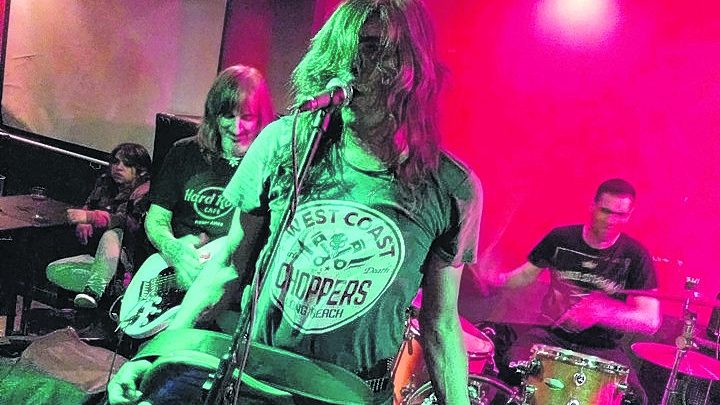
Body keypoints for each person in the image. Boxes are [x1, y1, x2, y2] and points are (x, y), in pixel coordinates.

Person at [108, 1, 483, 404]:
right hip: (255, 377)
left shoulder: (451, 188)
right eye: (342, 48)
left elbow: (441, 323)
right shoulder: (283, 143)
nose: (350, 65)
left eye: (372, 48)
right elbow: (227, 269)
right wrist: (157, 353)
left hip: (348, 392)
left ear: (411, 66)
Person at [486, 178, 660, 404]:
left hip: (603, 348)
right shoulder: (561, 238)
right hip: (550, 336)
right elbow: (525, 275)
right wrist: (495, 280)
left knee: (636, 398)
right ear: (593, 206)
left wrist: (601, 312)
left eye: (620, 215)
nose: (611, 221)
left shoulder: (635, 255)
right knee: (511, 366)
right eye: (605, 211)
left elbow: (651, 320)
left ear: (630, 215)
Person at [143, 64, 274, 292]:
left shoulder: (271, 165)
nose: (237, 128)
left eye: (247, 117)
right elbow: (156, 217)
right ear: (214, 116)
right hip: (175, 269)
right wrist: (172, 248)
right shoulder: (183, 152)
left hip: (231, 281)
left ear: (261, 119)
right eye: (228, 116)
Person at [46, 142, 152, 309]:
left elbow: (126, 221)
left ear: (141, 170)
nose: (118, 167)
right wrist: (84, 220)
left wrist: (92, 217)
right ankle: (110, 287)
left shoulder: (144, 191)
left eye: (127, 164)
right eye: (115, 162)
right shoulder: (105, 182)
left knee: (113, 234)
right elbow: (90, 204)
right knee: (53, 270)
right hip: (98, 256)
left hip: (128, 258)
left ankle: (95, 290)